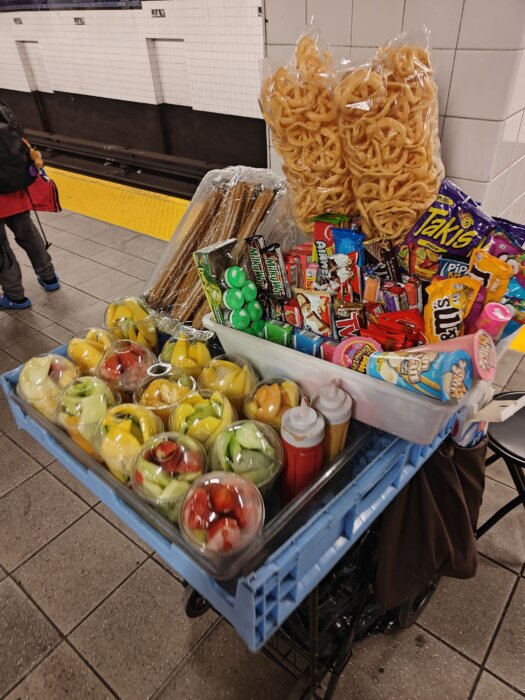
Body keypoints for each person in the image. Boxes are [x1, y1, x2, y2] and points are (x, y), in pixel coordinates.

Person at [0, 100, 60, 309]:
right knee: (28, 234)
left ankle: (15, 297)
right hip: (16, 188)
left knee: (1, 248)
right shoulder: (2, 108)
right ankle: (49, 277)